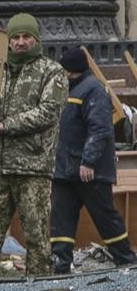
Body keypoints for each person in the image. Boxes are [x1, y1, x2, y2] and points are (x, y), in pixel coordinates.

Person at [0, 13, 66, 278]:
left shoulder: (51, 72)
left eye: (26, 37)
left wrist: (4, 126)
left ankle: (38, 289)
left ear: (36, 39)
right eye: (16, 37)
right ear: (9, 41)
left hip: (33, 170)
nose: (20, 42)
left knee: (36, 235)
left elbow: (48, 113)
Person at [51, 47, 137, 272]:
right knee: (61, 220)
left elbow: (100, 129)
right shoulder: (69, 89)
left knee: (105, 217)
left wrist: (88, 162)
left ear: (70, 71)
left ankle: (126, 260)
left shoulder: (93, 90)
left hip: (89, 172)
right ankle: (60, 265)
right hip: (65, 171)